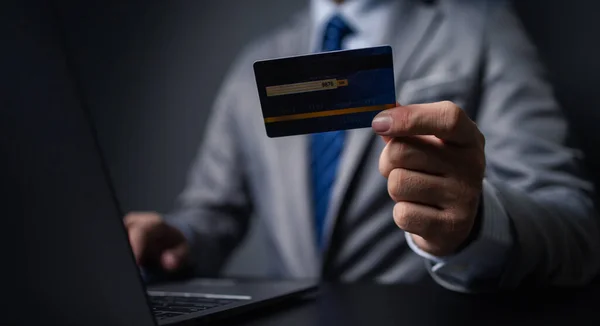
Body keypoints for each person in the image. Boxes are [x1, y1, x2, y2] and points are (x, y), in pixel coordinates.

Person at [124, 0, 600, 292]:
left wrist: (476, 225)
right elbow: (211, 212)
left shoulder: (479, 29)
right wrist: (178, 239)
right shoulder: (257, 60)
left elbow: (575, 229)